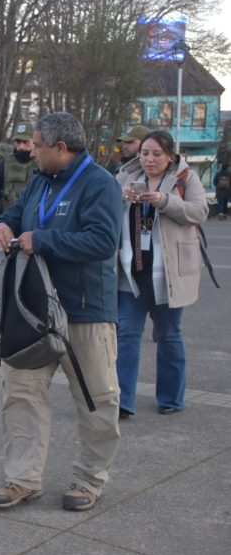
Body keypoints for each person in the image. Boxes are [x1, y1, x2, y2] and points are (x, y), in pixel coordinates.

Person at [0, 112, 122, 512]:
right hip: (33, 311)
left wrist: (41, 239)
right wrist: (1, 225)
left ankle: (88, 480)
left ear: (61, 149)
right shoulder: (40, 180)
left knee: (97, 400)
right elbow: (16, 213)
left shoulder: (101, 184)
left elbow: (101, 241)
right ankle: (22, 479)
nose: (31, 150)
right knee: (22, 394)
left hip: (85, 312)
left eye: (37, 144)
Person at [115, 130, 207, 418]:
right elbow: (106, 209)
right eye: (144, 153)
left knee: (168, 336)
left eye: (156, 154)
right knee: (126, 336)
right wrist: (121, 198)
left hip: (167, 276)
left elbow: (199, 211)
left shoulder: (184, 178)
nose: (149, 159)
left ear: (169, 156)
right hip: (131, 274)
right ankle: (122, 401)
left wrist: (163, 201)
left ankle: (170, 398)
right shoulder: (124, 176)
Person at [0, 122, 35, 220]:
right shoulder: (3, 165)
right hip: (8, 223)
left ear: (34, 141)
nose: (21, 147)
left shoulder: (44, 164)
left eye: (26, 142)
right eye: (18, 142)